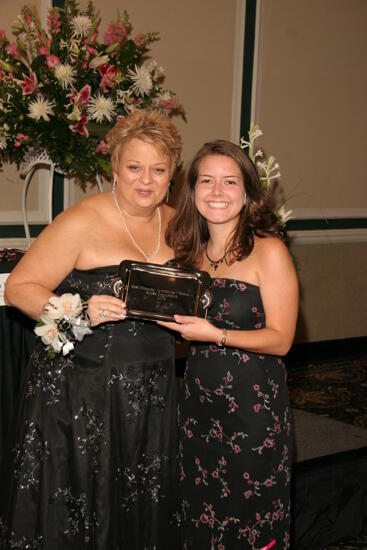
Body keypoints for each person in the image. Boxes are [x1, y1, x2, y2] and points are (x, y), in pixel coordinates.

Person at [1, 109, 182, 549]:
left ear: (172, 174)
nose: (146, 180)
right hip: (83, 392)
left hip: (154, 389)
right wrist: (79, 311)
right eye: (134, 167)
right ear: (114, 168)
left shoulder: (180, 223)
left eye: (158, 170)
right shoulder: (82, 219)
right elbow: (21, 288)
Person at [160, 140, 299, 549]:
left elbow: (282, 339)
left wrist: (215, 334)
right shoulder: (189, 253)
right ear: (193, 190)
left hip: (253, 417)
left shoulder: (268, 251)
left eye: (229, 181)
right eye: (206, 180)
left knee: (249, 523)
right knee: (201, 518)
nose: (217, 192)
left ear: (247, 193)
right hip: (198, 411)